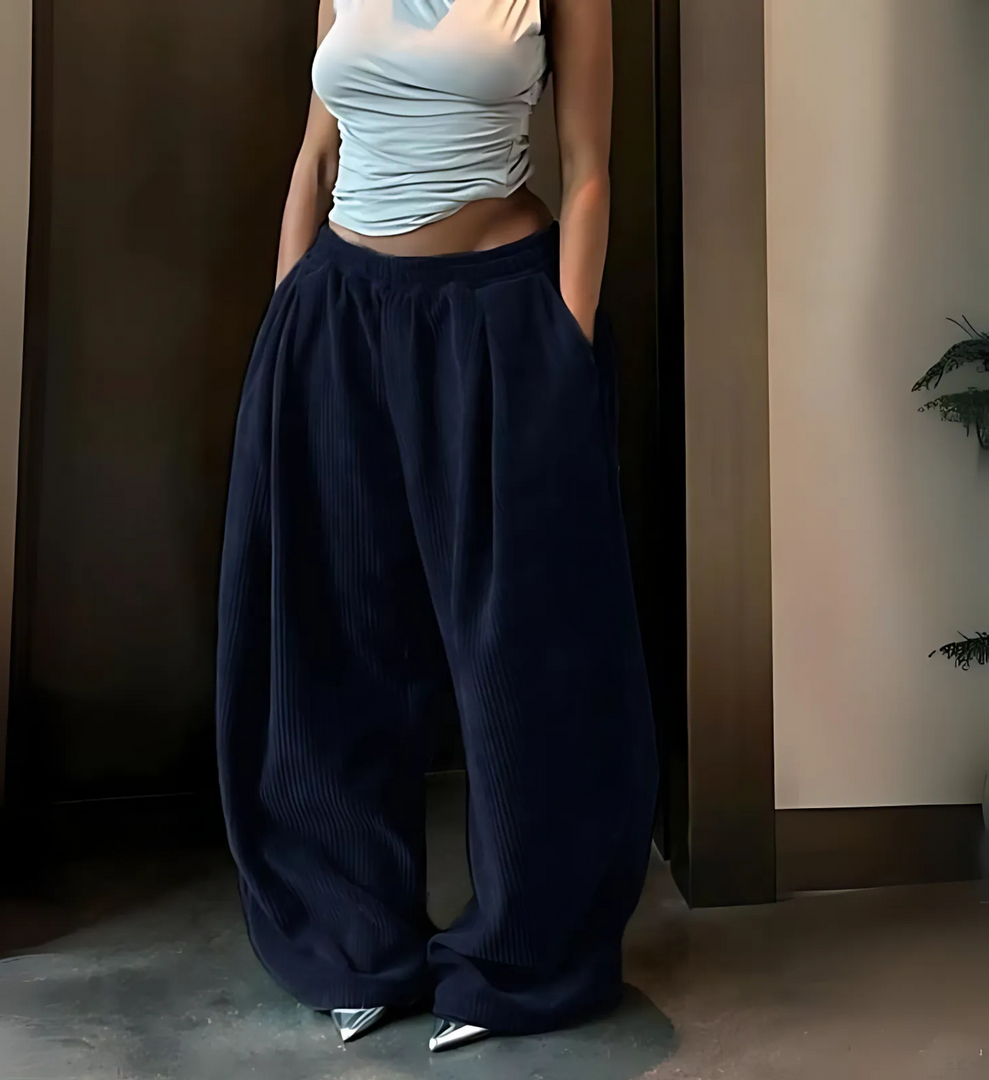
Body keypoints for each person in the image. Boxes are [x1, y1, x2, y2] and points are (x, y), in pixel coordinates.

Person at [215, 0, 658, 1054]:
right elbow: (317, 151)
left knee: (526, 656)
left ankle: (525, 953)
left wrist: (566, 337)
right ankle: (350, 938)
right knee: (330, 638)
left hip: (497, 320)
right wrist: (287, 321)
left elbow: (589, 167)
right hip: (336, 316)